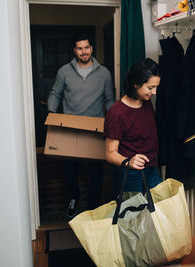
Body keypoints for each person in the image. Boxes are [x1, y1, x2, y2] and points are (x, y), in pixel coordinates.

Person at [47, 33, 115, 218]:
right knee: (70, 170)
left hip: (95, 129)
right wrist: (52, 114)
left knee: (96, 172)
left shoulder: (104, 73)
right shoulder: (64, 72)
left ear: (91, 49)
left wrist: (111, 122)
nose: (83, 52)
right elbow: (55, 93)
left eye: (86, 47)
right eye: (79, 48)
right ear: (75, 50)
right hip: (71, 128)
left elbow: (109, 99)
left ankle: (93, 206)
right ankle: (74, 198)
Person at [104, 58, 162, 195]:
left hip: (151, 169)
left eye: (156, 87)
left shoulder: (146, 103)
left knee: (160, 209)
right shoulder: (116, 113)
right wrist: (129, 161)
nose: (154, 92)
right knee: (133, 215)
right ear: (136, 84)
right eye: (150, 88)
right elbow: (110, 153)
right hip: (129, 174)